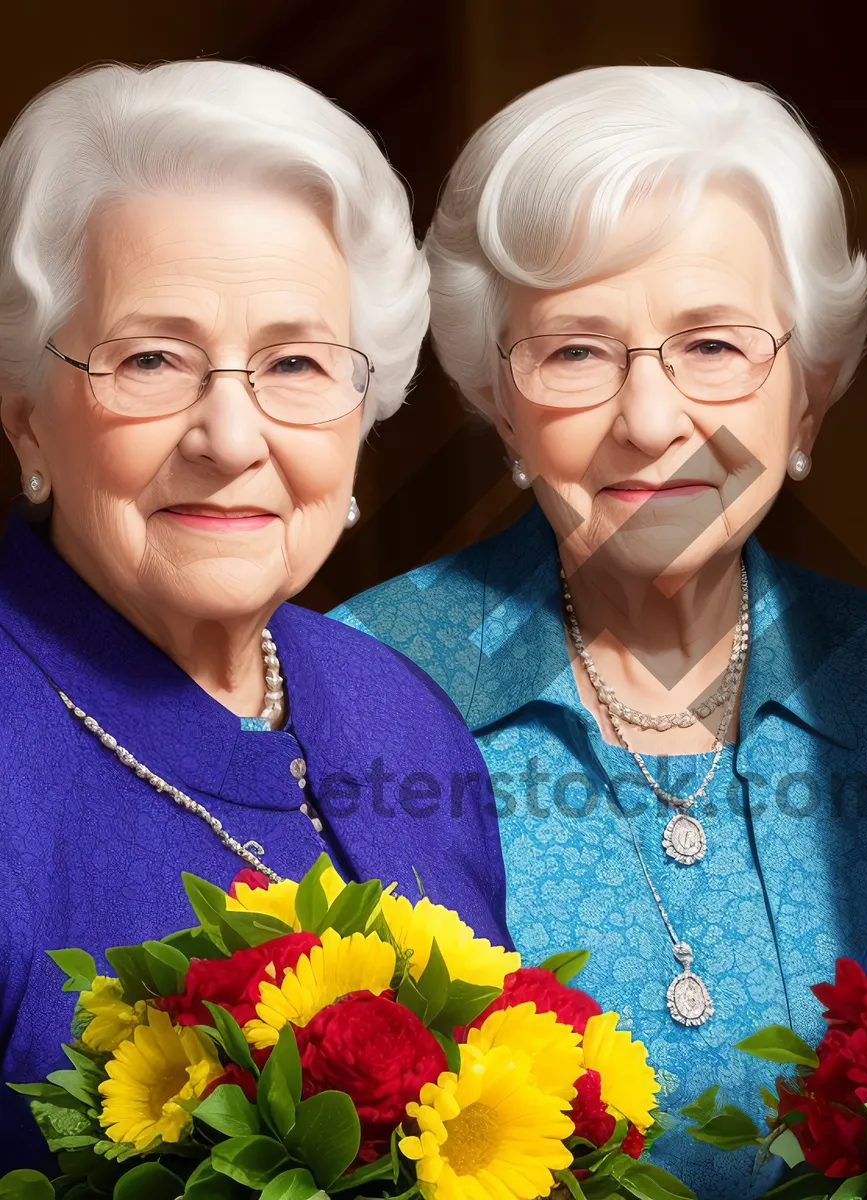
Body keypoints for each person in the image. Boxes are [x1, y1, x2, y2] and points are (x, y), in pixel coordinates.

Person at [332, 65, 867, 1193]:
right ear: (497, 400)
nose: (652, 421)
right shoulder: (358, 685)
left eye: (715, 346)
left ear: (807, 394)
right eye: (576, 351)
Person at [0, 61, 508, 1172]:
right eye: (153, 359)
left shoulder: (401, 713)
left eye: (294, 362)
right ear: (29, 421)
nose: (231, 438)